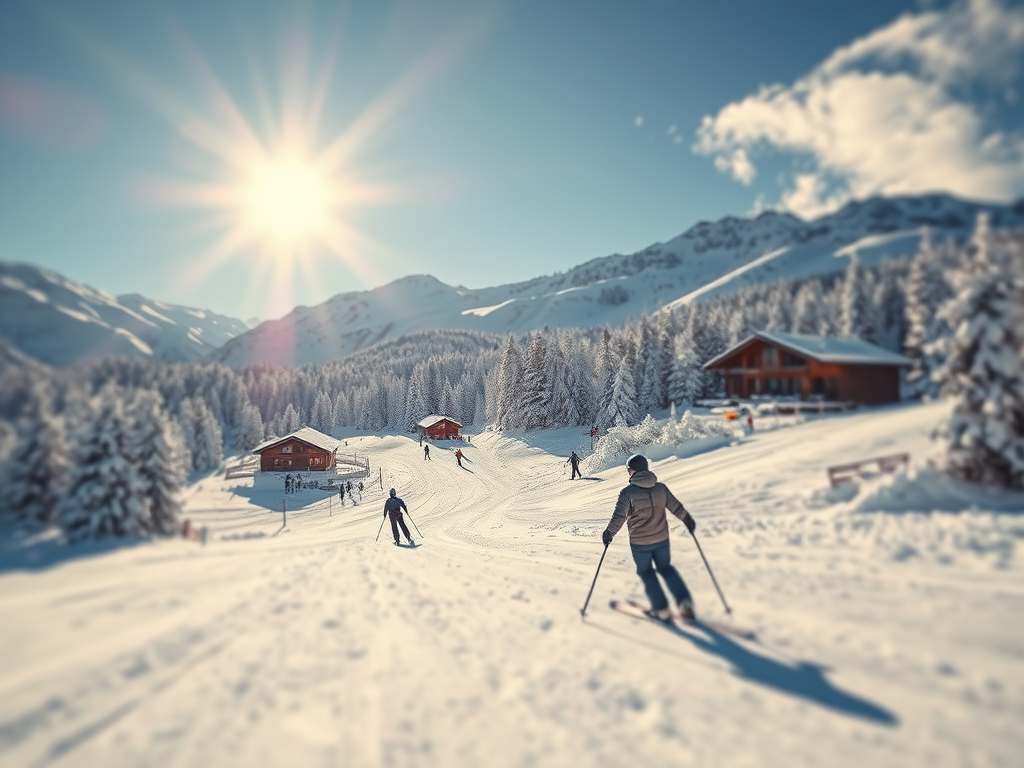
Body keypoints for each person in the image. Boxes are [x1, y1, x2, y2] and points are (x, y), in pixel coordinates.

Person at [602, 454, 697, 620]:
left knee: (646, 572)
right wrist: (687, 519)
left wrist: (609, 533)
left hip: (640, 542)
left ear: (634, 470)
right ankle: (684, 602)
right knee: (666, 568)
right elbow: (676, 507)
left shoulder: (627, 493)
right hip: (661, 538)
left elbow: (619, 516)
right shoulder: (661, 488)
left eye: (629, 469)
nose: (628, 472)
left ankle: (661, 608)